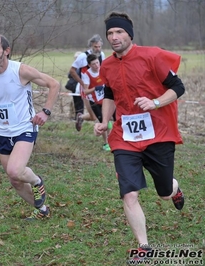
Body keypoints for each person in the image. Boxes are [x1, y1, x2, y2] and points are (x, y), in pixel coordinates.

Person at [94, 11, 185, 258]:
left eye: (119, 32)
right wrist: (104, 122)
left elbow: (178, 87)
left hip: (159, 132)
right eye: (110, 33)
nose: (114, 37)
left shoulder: (151, 56)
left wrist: (155, 103)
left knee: (164, 193)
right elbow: (110, 94)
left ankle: (174, 189)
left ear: (130, 34)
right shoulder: (107, 65)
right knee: (129, 192)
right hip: (125, 135)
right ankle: (144, 247)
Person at [0, 34, 60, 220]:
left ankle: (36, 181)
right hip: (3, 132)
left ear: (6, 51)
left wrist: (45, 112)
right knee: (15, 181)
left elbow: (54, 84)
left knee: (15, 170)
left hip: (26, 128)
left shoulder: (21, 71)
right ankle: (43, 210)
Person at [69, 34, 106, 131]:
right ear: (91, 46)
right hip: (87, 90)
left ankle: (106, 141)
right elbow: (72, 71)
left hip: (98, 89)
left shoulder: (102, 55)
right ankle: (80, 117)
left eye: (99, 47)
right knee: (93, 117)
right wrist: (81, 83)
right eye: (95, 47)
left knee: (101, 115)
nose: (97, 49)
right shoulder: (83, 56)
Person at [80, 54, 111, 151]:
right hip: (94, 101)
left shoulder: (103, 69)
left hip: (106, 99)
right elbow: (85, 91)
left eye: (97, 62)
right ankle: (106, 143)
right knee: (103, 122)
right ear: (89, 65)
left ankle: (110, 140)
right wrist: (95, 88)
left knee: (108, 121)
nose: (97, 65)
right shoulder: (86, 75)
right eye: (93, 64)